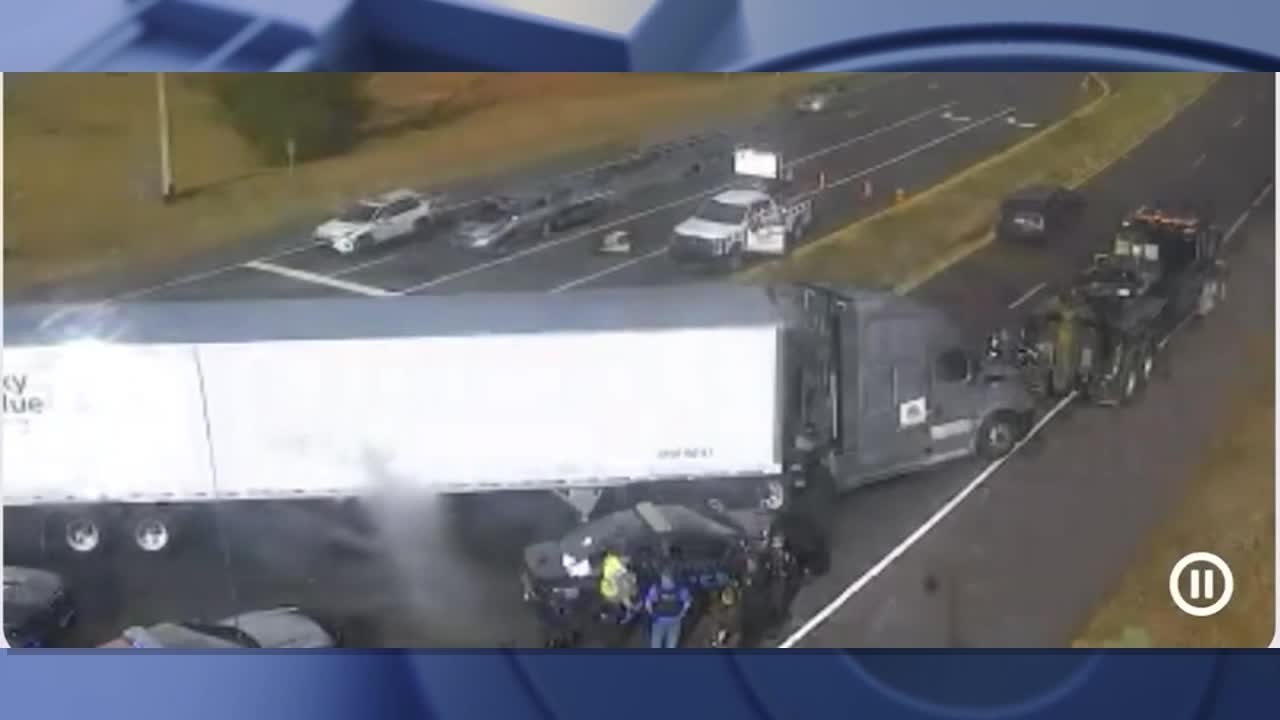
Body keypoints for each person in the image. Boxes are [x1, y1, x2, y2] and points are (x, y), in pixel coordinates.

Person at [644, 570, 692, 649]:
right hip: (659, 621)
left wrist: (681, 614)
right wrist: (652, 614)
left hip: (674, 621)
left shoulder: (680, 589)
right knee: (656, 646)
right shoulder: (657, 588)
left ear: (671, 579)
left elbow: (687, 602)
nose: (663, 581)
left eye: (665, 579)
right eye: (663, 579)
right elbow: (648, 602)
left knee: (670, 646)